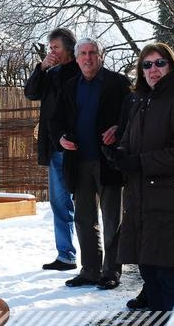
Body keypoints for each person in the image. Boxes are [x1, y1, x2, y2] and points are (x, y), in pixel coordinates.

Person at [112, 42, 174, 312]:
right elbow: (128, 140)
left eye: (159, 63)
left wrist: (140, 163)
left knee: (169, 275)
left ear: (171, 66)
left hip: (169, 202)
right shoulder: (141, 101)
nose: (153, 70)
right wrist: (118, 155)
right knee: (150, 271)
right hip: (140, 201)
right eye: (147, 65)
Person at [50, 38, 130, 290]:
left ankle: (111, 271)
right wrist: (61, 138)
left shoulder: (118, 83)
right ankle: (90, 270)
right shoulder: (70, 86)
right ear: (76, 59)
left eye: (92, 53)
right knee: (84, 219)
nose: (87, 58)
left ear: (101, 56)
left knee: (112, 220)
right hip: (78, 162)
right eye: (83, 53)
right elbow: (55, 120)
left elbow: (133, 116)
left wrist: (119, 129)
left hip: (110, 162)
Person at [24, 28, 80, 271]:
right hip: (55, 148)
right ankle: (65, 255)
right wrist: (41, 68)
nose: (52, 52)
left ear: (69, 47)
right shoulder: (51, 73)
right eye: (50, 48)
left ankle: (94, 260)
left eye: (56, 47)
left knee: (85, 206)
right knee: (59, 204)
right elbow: (31, 93)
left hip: (81, 148)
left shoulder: (82, 70)